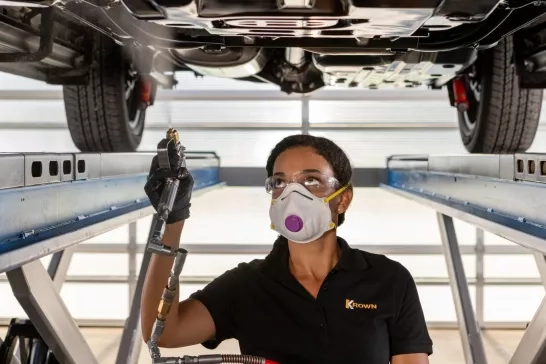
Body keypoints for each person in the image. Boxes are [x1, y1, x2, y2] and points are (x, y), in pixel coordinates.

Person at [141, 134, 433, 364]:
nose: (294, 195)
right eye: (280, 182)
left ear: (342, 200)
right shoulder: (246, 285)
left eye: (311, 180)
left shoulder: (388, 279)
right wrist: (173, 221)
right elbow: (162, 331)